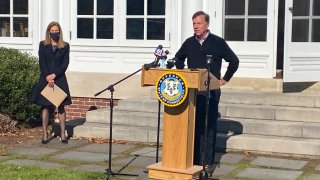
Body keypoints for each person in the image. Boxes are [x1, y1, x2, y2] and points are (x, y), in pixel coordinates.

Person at [174, 11, 239, 172]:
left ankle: (207, 162)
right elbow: (178, 58)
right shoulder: (189, 43)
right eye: (194, 23)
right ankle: (194, 160)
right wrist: (183, 73)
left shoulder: (218, 42)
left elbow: (234, 61)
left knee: (208, 126)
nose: (196, 26)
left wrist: (224, 80)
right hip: (193, 92)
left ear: (207, 24)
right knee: (194, 126)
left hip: (211, 91)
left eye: (199, 23)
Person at [31, 21, 72, 144]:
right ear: (49, 32)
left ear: (59, 32)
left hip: (59, 79)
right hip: (45, 78)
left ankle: (63, 134)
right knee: (45, 107)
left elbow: (65, 63)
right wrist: (48, 76)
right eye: (52, 31)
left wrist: (54, 75)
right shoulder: (43, 45)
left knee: (61, 107)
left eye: (56, 31)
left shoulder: (65, 45)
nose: (54, 33)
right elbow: (42, 62)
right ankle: (44, 134)